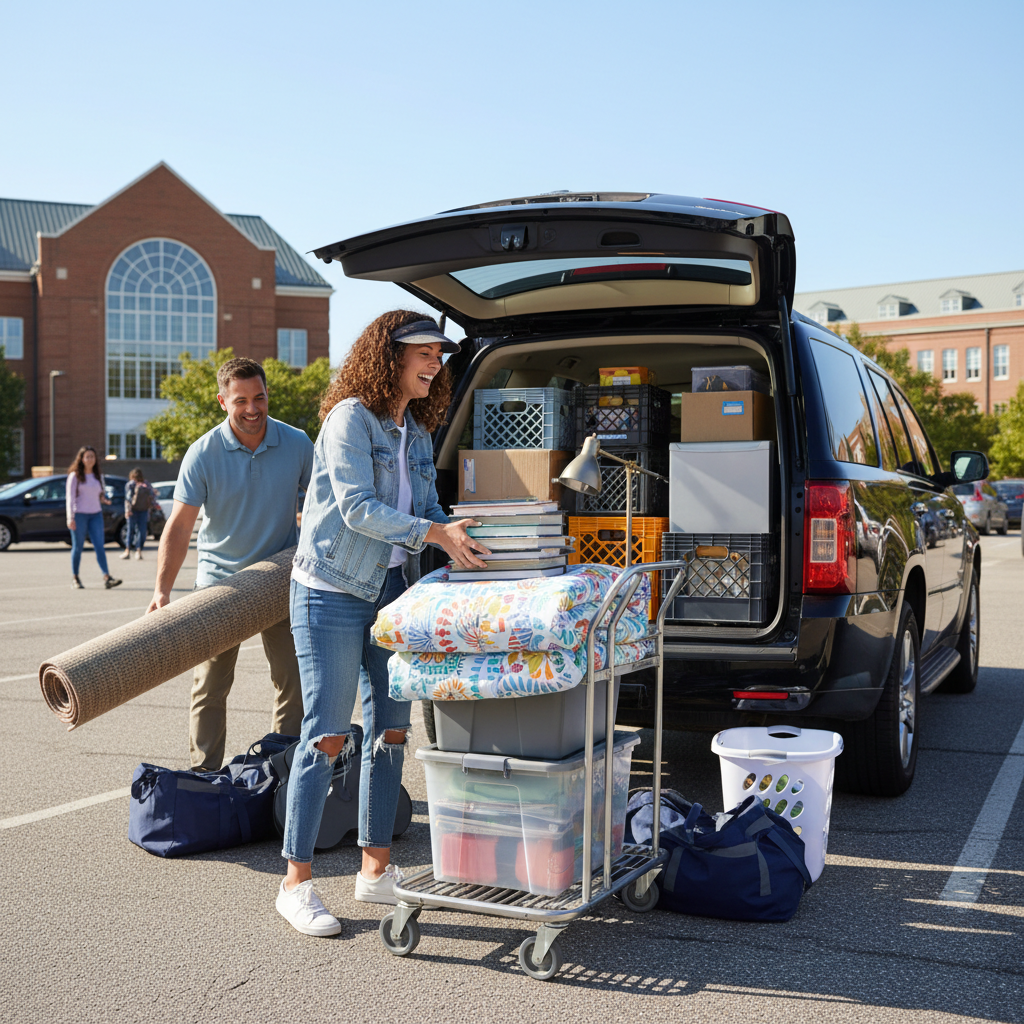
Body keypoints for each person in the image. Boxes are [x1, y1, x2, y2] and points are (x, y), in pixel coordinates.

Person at [276, 310, 490, 938]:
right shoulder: (349, 418)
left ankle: (376, 871)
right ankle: (297, 884)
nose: (435, 362)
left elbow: (427, 510)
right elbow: (356, 508)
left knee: (391, 734)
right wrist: (433, 533)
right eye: (423, 351)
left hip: (392, 592)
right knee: (327, 736)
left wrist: (474, 532)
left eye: (439, 354)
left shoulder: (416, 430)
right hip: (332, 592)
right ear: (387, 356)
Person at [147, 356, 314, 771]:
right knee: (210, 685)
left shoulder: (297, 443)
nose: (253, 409)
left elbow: (321, 506)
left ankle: (283, 772)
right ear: (223, 401)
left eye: (259, 397)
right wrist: (162, 591)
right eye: (241, 401)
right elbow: (180, 526)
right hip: (221, 586)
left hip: (279, 579)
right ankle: (204, 775)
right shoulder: (202, 453)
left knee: (292, 682)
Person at [65, 446, 122, 590]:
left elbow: (101, 494)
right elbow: (70, 498)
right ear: (82, 459)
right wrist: (70, 517)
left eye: (92, 456)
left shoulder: (98, 476)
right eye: (87, 456)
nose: (90, 459)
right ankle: (75, 577)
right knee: (77, 548)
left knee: (99, 546)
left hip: (96, 514)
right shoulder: (75, 476)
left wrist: (105, 499)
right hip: (79, 515)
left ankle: (107, 577)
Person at [120, 468, 155, 561]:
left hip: (133, 510)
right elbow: (152, 496)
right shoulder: (147, 484)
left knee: (130, 530)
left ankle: (127, 550)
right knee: (141, 531)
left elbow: (127, 498)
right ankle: (138, 551)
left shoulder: (130, 484)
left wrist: (127, 510)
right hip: (144, 510)